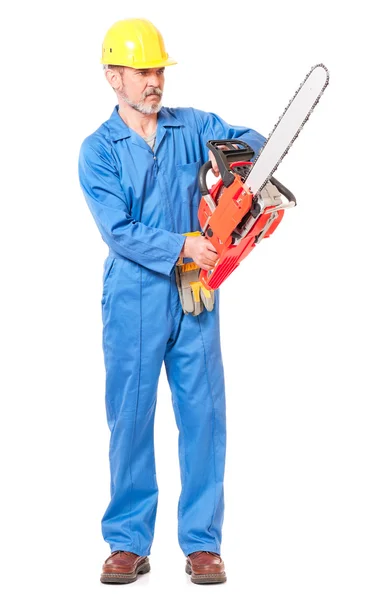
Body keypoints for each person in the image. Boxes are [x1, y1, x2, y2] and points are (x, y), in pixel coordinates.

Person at [78, 17, 265, 585]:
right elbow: (119, 230)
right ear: (114, 77)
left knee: (204, 417)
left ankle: (203, 543)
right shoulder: (98, 150)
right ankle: (128, 542)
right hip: (135, 295)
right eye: (142, 71)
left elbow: (255, 141)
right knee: (131, 418)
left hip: (195, 296)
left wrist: (235, 163)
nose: (154, 81)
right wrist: (184, 243)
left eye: (158, 69)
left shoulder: (193, 126)